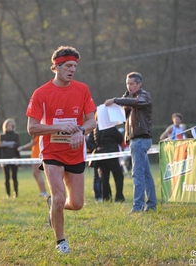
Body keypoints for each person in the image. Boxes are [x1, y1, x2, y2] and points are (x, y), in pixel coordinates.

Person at [26, 46, 96, 254]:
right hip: (51, 152)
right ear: (56, 67)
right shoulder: (41, 93)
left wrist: (80, 131)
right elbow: (32, 128)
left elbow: (93, 120)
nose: (72, 69)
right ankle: (61, 241)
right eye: (68, 65)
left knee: (76, 204)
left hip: (75, 151)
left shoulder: (82, 89)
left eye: (74, 66)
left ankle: (54, 209)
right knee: (58, 196)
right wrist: (59, 127)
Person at [104, 71, 157, 214]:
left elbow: (137, 102)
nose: (129, 86)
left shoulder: (143, 96)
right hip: (137, 139)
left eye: (132, 83)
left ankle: (137, 207)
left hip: (140, 139)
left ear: (140, 84)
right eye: (127, 84)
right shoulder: (130, 99)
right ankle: (151, 205)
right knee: (145, 174)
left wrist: (116, 100)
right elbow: (125, 112)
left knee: (137, 174)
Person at [87, 116, 125, 203]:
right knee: (118, 176)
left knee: (104, 178)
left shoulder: (95, 129)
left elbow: (89, 142)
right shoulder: (110, 127)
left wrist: (96, 149)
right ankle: (119, 197)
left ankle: (106, 198)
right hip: (112, 156)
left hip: (101, 156)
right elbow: (120, 138)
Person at [0, 118, 21, 198]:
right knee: (6, 178)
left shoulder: (16, 135)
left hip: (14, 158)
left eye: (11, 125)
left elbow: (17, 145)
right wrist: (11, 144)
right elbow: (0, 146)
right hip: (5, 159)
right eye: (8, 125)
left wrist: (6, 144)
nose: (9, 127)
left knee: (15, 177)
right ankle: (8, 194)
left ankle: (16, 193)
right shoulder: (1, 135)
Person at [86, 133, 102, 202]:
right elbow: (89, 143)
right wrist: (96, 150)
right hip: (97, 157)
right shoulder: (94, 130)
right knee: (97, 178)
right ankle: (98, 196)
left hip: (102, 156)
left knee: (101, 178)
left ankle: (103, 196)